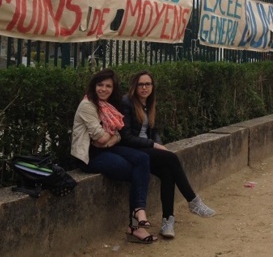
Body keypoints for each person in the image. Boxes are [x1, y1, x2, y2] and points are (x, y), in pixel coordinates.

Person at [119, 71, 216, 239]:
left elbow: (154, 130)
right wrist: (154, 145)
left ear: (152, 87)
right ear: (135, 86)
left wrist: (159, 144)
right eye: (141, 84)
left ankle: (167, 221)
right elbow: (126, 137)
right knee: (171, 158)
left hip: (146, 148)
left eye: (148, 84)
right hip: (132, 149)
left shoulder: (149, 103)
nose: (144, 88)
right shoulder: (127, 102)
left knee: (167, 173)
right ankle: (193, 201)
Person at [71, 69, 157, 244]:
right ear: (94, 86)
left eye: (108, 86)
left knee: (142, 159)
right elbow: (100, 137)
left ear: (113, 88)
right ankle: (135, 226)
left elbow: (117, 136)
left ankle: (138, 211)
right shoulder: (87, 105)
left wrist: (110, 140)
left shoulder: (110, 105)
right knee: (133, 171)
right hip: (90, 155)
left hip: (107, 149)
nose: (104, 89)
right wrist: (110, 139)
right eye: (100, 85)